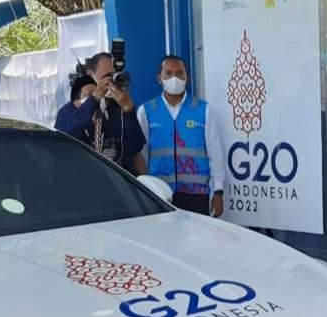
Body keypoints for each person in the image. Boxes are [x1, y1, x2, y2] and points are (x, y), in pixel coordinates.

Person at [137, 55, 227, 216]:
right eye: (168, 73)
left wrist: (218, 191)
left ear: (187, 78)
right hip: (159, 193)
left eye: (180, 73)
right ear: (159, 78)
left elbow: (215, 155)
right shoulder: (146, 111)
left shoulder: (203, 110)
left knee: (197, 240)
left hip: (196, 194)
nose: (174, 78)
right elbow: (141, 156)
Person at [77, 52, 146, 173]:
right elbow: (70, 130)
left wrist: (128, 110)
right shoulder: (77, 106)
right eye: (107, 76)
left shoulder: (119, 106)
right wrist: (94, 98)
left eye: (115, 75)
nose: (112, 81)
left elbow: (135, 149)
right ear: (90, 75)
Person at [54, 75, 99, 144]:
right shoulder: (65, 113)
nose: (93, 98)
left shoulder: (98, 110)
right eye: (89, 94)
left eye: (95, 93)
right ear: (77, 101)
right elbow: (67, 132)